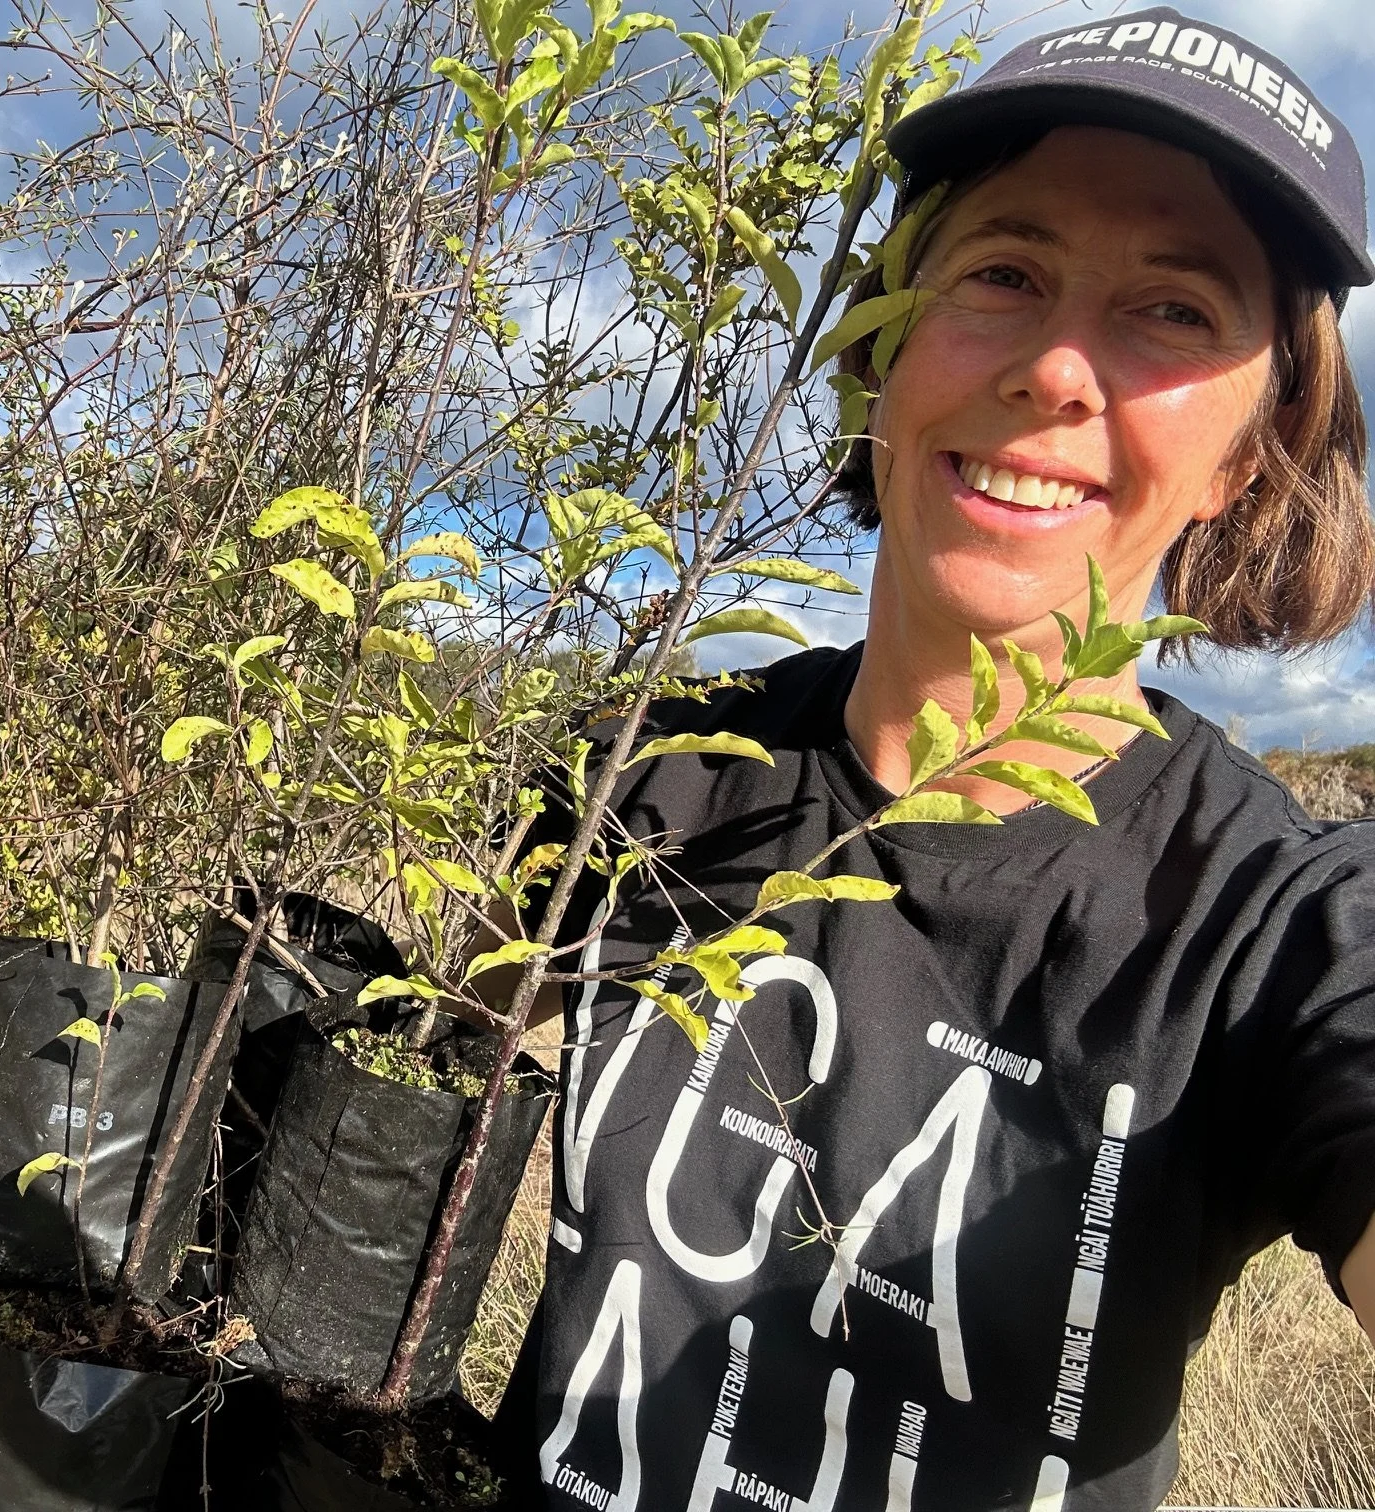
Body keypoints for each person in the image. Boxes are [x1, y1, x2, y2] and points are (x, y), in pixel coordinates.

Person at [491, 9, 1375, 1509]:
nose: (1053, 369)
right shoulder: (644, 780)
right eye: (1004, 274)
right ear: (884, 354)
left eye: (1172, 309)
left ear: (1250, 451)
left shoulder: (1266, 927)